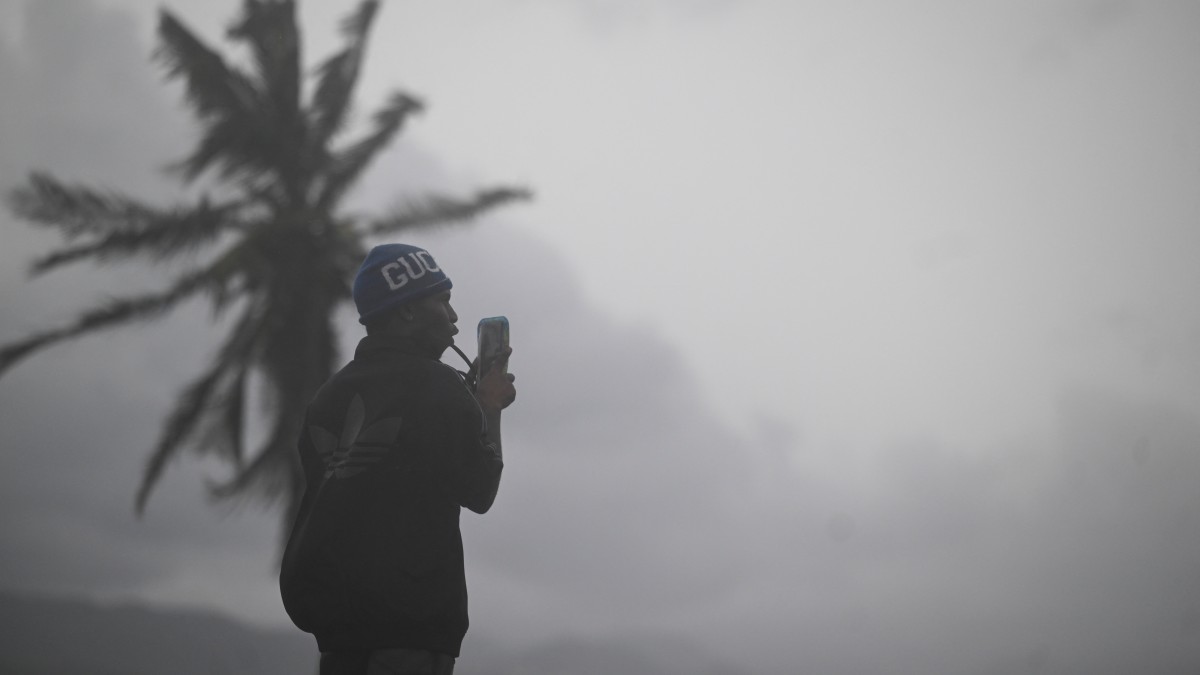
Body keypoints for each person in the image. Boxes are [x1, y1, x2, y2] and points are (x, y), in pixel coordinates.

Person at [280, 243, 516, 675]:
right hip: (410, 631)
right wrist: (488, 406)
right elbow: (480, 489)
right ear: (407, 312)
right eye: (442, 301)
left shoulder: (327, 398)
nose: (454, 317)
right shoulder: (438, 387)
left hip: (338, 633)